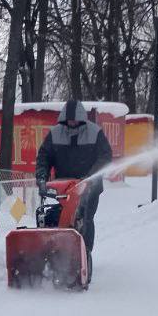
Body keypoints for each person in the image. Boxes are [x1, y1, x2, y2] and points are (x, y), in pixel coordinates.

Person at [35, 101, 113, 253]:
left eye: (75, 119)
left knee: (85, 218)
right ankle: (59, 251)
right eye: (69, 119)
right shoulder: (55, 133)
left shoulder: (94, 132)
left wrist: (90, 177)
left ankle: (85, 252)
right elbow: (44, 157)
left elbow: (105, 156)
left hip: (90, 187)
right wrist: (42, 177)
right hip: (63, 188)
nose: (72, 122)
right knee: (61, 219)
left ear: (81, 118)